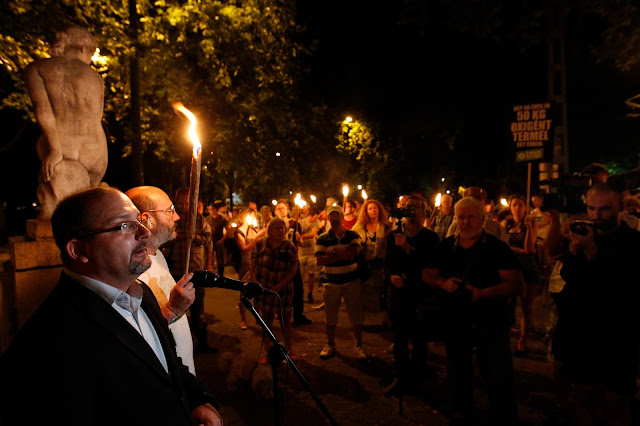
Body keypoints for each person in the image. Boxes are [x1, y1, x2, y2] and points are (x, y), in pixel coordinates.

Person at [0, 187, 222, 425]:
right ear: (79, 250)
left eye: (138, 220)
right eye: (124, 226)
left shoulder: (142, 294)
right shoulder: (49, 343)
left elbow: (165, 361)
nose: (145, 232)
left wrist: (200, 399)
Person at [423, 197, 522, 425]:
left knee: (497, 375)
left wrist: (482, 294)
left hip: (491, 322)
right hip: (456, 322)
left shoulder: (497, 248)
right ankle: (462, 411)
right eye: (461, 217)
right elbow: (427, 273)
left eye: (471, 217)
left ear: (482, 218)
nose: (465, 222)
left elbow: (516, 285)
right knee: (458, 372)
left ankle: (502, 417)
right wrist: (443, 283)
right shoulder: (446, 246)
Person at [551, 184, 640, 426]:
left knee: (615, 401)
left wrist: (590, 249)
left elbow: (619, 285)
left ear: (620, 207)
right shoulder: (585, 234)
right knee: (583, 395)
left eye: (604, 209)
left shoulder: (632, 242)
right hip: (581, 332)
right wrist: (574, 248)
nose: (596, 215)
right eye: (591, 208)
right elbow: (570, 276)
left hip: (617, 335)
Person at [25, 26, 108, 219]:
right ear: (83, 49)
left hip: (62, 148)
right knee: (86, 210)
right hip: (97, 153)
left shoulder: (37, 68)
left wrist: (55, 151)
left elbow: (43, 110)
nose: (90, 59)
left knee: (57, 215)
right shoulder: (95, 77)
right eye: (92, 54)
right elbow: (97, 116)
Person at [126, 186, 197, 374]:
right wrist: (172, 309)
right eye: (169, 211)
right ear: (146, 219)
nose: (177, 217)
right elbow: (134, 338)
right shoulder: (127, 272)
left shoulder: (157, 255)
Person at [383, 196, 439, 397]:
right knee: (399, 338)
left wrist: (407, 248)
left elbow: (428, 267)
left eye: (416, 208)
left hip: (419, 295)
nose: (411, 211)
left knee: (419, 338)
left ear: (424, 213)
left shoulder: (431, 239)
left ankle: (418, 378)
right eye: (408, 208)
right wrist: (392, 277)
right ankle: (401, 377)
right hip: (398, 294)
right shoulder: (394, 236)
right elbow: (388, 264)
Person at [163, 187, 215, 353]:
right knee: (178, 309)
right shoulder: (171, 219)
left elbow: (208, 240)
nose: (184, 206)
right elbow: (165, 239)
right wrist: (179, 237)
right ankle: (178, 343)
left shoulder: (198, 220)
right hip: (176, 271)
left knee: (197, 308)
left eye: (187, 203)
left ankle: (201, 342)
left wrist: (193, 238)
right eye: (181, 203)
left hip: (195, 271)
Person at [316, 205, 366, 360]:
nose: (334, 218)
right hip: (330, 283)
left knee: (356, 315)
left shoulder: (352, 234)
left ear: (342, 216)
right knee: (330, 316)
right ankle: (330, 344)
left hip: (352, 282)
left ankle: (358, 344)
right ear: (329, 218)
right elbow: (319, 259)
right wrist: (343, 254)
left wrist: (333, 253)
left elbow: (355, 253)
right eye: (332, 215)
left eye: (337, 214)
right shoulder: (322, 238)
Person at [252, 217, 299, 363]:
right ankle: (268, 351)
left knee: (285, 321)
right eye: (277, 228)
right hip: (264, 289)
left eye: (283, 228)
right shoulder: (260, 244)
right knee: (266, 321)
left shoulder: (289, 247)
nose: (281, 231)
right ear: (269, 230)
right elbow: (253, 264)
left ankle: (289, 349)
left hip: (283, 291)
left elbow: (293, 269)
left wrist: (279, 286)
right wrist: (256, 283)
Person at [503, 194, 540, 356]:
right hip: (511, 270)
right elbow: (504, 247)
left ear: (526, 207)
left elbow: (530, 249)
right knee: (507, 305)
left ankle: (522, 342)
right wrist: (518, 251)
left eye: (520, 205)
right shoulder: (506, 224)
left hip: (528, 270)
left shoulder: (531, 224)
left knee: (526, 307)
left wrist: (529, 228)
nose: (517, 208)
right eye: (514, 205)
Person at [352, 199, 390, 313]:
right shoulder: (360, 226)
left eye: (375, 208)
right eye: (370, 208)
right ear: (366, 211)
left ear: (379, 210)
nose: (373, 210)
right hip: (365, 264)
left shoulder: (385, 226)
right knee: (365, 291)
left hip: (380, 263)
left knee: (379, 290)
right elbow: (353, 238)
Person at [235, 208, 266, 330]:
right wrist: (256, 236)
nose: (253, 218)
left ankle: (259, 317)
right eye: (251, 215)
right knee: (244, 291)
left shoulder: (254, 229)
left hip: (257, 263)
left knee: (259, 290)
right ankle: (243, 319)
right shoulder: (239, 232)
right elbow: (245, 249)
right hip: (246, 264)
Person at [299, 206, 321, 302]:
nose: (317, 219)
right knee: (299, 274)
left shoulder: (317, 223)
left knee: (311, 274)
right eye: (316, 217)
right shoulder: (301, 222)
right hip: (301, 252)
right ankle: (299, 293)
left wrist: (302, 236)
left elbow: (312, 234)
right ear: (311, 215)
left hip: (311, 251)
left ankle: (310, 293)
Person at [206, 201, 230, 276]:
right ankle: (210, 274)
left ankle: (220, 275)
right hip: (210, 241)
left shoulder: (222, 219)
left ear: (215, 209)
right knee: (209, 259)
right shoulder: (208, 219)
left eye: (211, 209)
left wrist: (222, 240)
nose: (209, 211)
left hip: (219, 241)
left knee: (220, 259)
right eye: (209, 209)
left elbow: (228, 230)